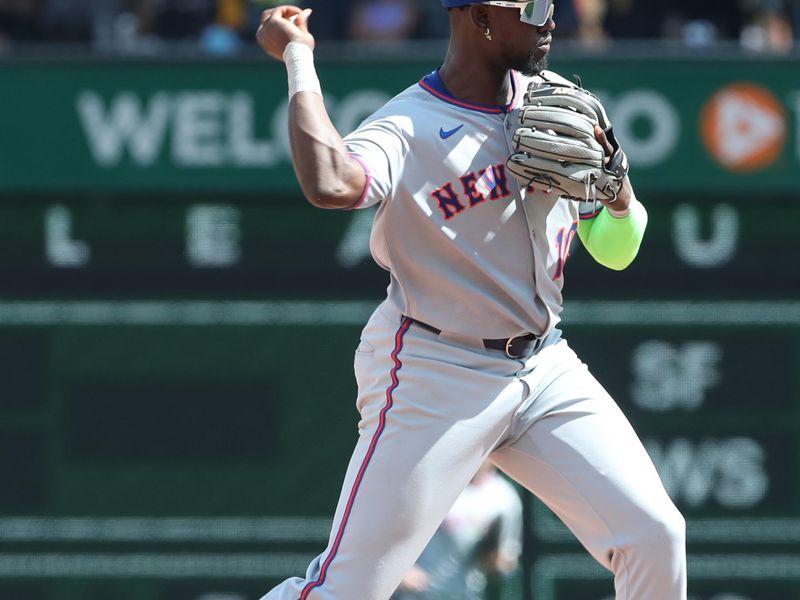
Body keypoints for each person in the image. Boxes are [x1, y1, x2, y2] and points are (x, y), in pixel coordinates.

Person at [255, 1, 687, 599]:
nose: (551, 18)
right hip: (436, 371)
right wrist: (299, 57)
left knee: (655, 533)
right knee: (347, 589)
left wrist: (618, 194)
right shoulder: (410, 124)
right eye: (532, 7)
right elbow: (329, 182)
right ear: (481, 19)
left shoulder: (559, 102)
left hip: (545, 366)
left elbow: (617, 250)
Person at [391, 462, 522, 600]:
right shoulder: (435, 484)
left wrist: (495, 559)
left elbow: (507, 557)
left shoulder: (505, 498)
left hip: (467, 593)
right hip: (419, 593)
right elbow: (391, 532)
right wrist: (401, 572)